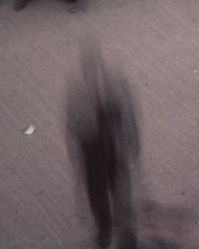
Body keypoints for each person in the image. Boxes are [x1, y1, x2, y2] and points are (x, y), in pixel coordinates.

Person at [65, 45, 141, 249]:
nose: (95, 74)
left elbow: (130, 111)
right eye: (90, 70)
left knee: (123, 193)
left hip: (116, 149)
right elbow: (72, 126)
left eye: (97, 68)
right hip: (94, 154)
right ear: (85, 72)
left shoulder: (116, 82)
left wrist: (133, 139)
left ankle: (125, 232)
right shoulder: (77, 93)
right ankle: (104, 228)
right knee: (97, 194)